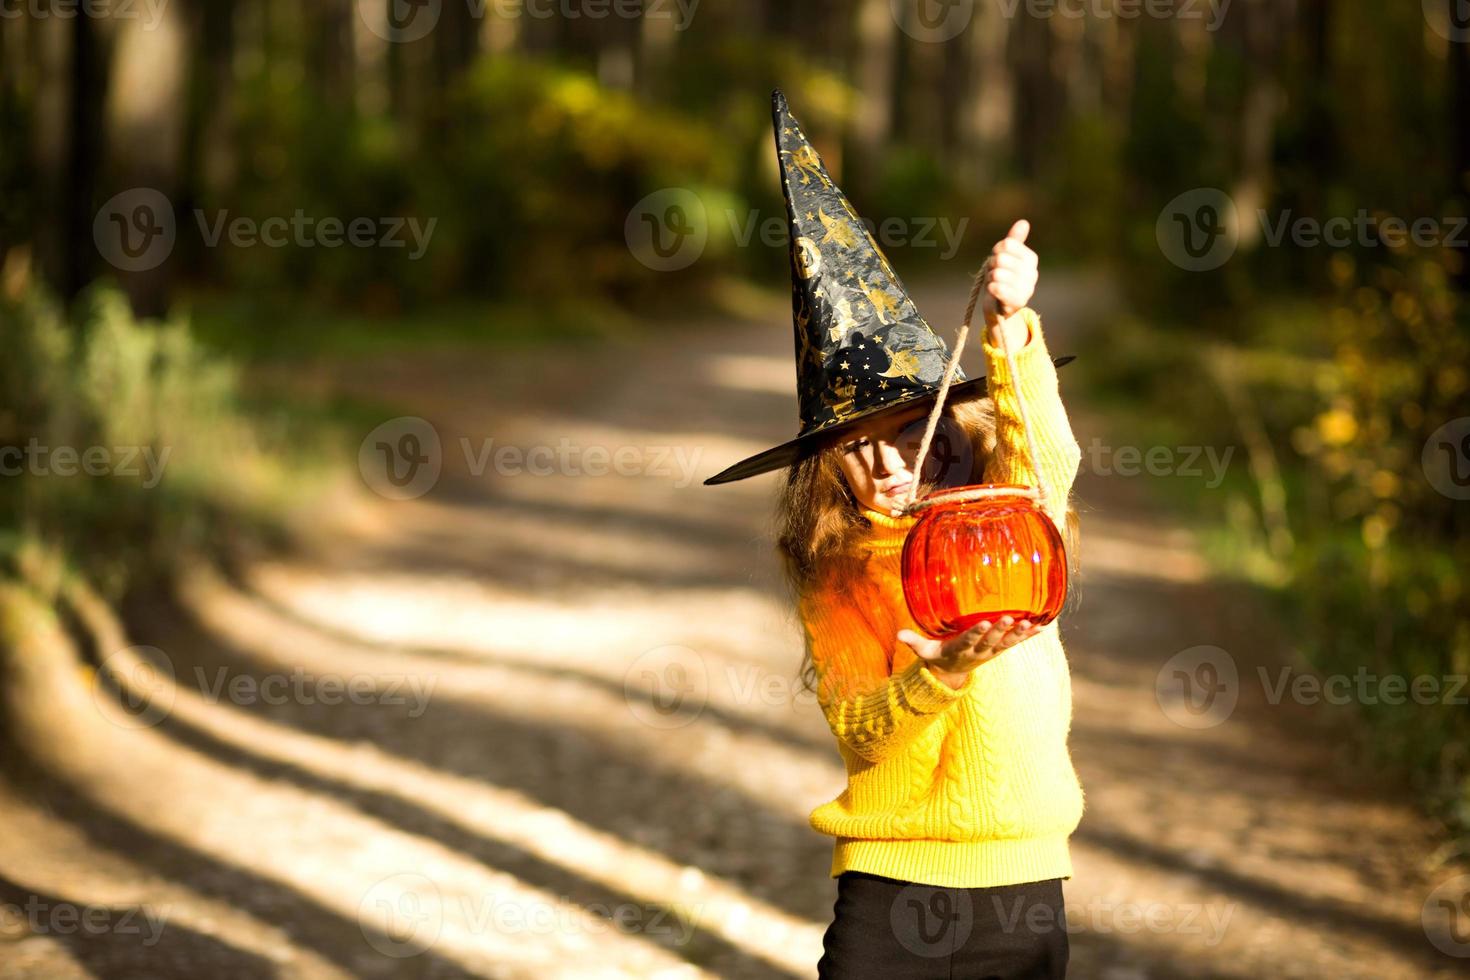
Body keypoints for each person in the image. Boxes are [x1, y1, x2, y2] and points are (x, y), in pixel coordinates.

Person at [703, 90, 1083, 978]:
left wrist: (1010, 328)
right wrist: (937, 674)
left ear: (950, 423)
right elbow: (862, 729)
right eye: (855, 448)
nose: (887, 463)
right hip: (887, 888)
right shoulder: (836, 570)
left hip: (1024, 883)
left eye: (908, 431)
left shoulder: (1007, 517)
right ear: (823, 470)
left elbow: (1047, 451)